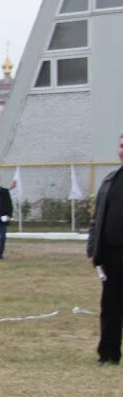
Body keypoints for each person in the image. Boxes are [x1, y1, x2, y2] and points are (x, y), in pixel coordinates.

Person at [87, 131, 123, 366]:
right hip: (112, 254)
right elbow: (97, 217)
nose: (121, 150)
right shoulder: (110, 179)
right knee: (110, 306)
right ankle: (108, 354)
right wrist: (93, 248)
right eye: (121, 145)